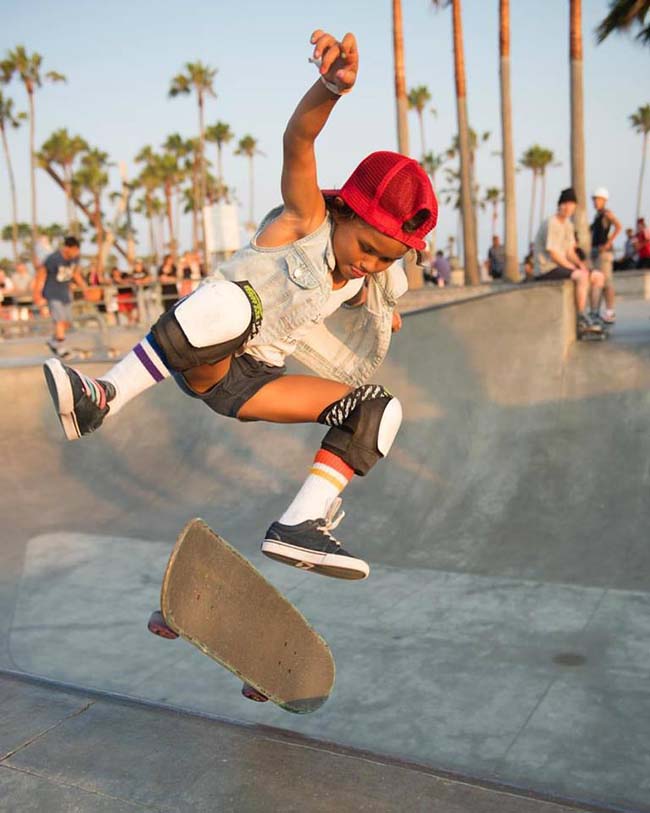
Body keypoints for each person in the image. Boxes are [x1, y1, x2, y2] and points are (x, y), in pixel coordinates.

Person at [43, 29, 438, 582]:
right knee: (235, 303)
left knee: (379, 409)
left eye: (385, 258)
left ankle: (300, 523)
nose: (369, 263)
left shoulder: (375, 273)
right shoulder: (305, 220)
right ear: (344, 212)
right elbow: (298, 139)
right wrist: (331, 88)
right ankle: (103, 397)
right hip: (210, 353)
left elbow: (382, 291)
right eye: (367, 248)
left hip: (257, 385)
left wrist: (383, 311)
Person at [534, 188, 605, 332]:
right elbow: (553, 253)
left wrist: (580, 264)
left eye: (571, 205)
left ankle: (594, 314)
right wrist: (573, 268)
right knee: (582, 276)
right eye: (565, 204)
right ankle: (581, 317)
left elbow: (570, 251)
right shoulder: (551, 223)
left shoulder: (568, 225)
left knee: (598, 276)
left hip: (561, 266)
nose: (568, 208)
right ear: (559, 205)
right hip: (546, 268)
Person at [33, 236, 87, 356]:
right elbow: (41, 274)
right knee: (60, 320)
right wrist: (37, 293)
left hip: (65, 293)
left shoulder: (75, 258)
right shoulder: (53, 258)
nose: (76, 253)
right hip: (52, 293)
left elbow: (75, 273)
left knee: (67, 322)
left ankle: (54, 341)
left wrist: (84, 287)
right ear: (67, 248)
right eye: (74, 250)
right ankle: (62, 349)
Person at [590, 187, 621, 324]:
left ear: (604, 200)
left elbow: (618, 226)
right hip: (596, 252)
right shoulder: (597, 215)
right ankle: (595, 312)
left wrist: (608, 243)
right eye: (594, 200)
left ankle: (610, 311)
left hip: (604, 253)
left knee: (607, 282)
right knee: (598, 283)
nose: (595, 202)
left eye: (598, 199)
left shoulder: (607, 213)